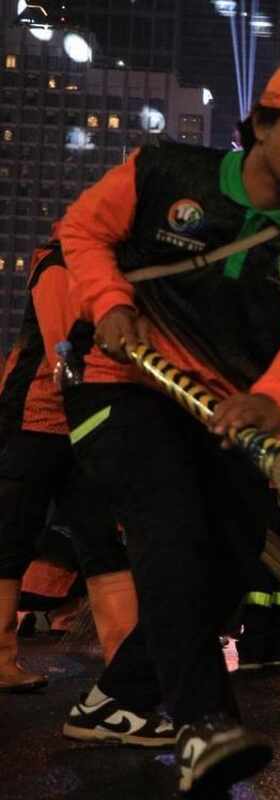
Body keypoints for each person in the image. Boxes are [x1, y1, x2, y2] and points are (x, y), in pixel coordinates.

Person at [58, 61, 280, 793]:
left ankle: (114, 700)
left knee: (233, 566)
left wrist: (273, 399)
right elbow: (82, 228)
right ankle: (204, 722)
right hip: (124, 387)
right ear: (261, 124)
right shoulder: (164, 171)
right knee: (172, 533)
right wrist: (109, 303)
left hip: (227, 417)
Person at [0, 239, 136, 691]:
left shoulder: (113, 276)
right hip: (34, 423)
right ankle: (1, 661)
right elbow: (65, 355)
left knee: (103, 546)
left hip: (83, 428)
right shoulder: (60, 266)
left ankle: (125, 667)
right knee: (11, 542)